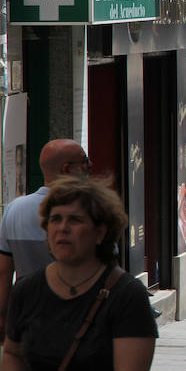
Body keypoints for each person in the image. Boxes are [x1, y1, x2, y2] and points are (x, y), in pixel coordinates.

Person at [1, 177, 157, 371]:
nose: (62, 228)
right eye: (55, 219)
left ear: (100, 232)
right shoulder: (26, 290)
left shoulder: (127, 295)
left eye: (75, 220)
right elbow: (12, 353)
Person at [0, 139, 92, 342]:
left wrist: (2, 318)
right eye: (84, 161)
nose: (90, 166)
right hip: (79, 319)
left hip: (27, 317)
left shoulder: (14, 209)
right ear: (67, 169)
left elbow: (4, 272)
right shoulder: (90, 209)